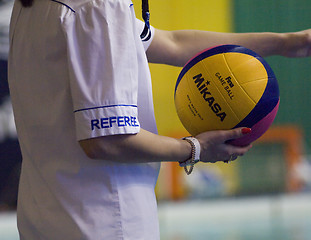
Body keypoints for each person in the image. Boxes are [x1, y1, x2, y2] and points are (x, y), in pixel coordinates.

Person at [8, 0, 311, 239]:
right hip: (105, 222)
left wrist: (284, 43)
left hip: (44, 216)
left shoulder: (34, 7)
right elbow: (105, 142)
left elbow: (173, 43)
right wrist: (195, 149)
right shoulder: (100, 6)